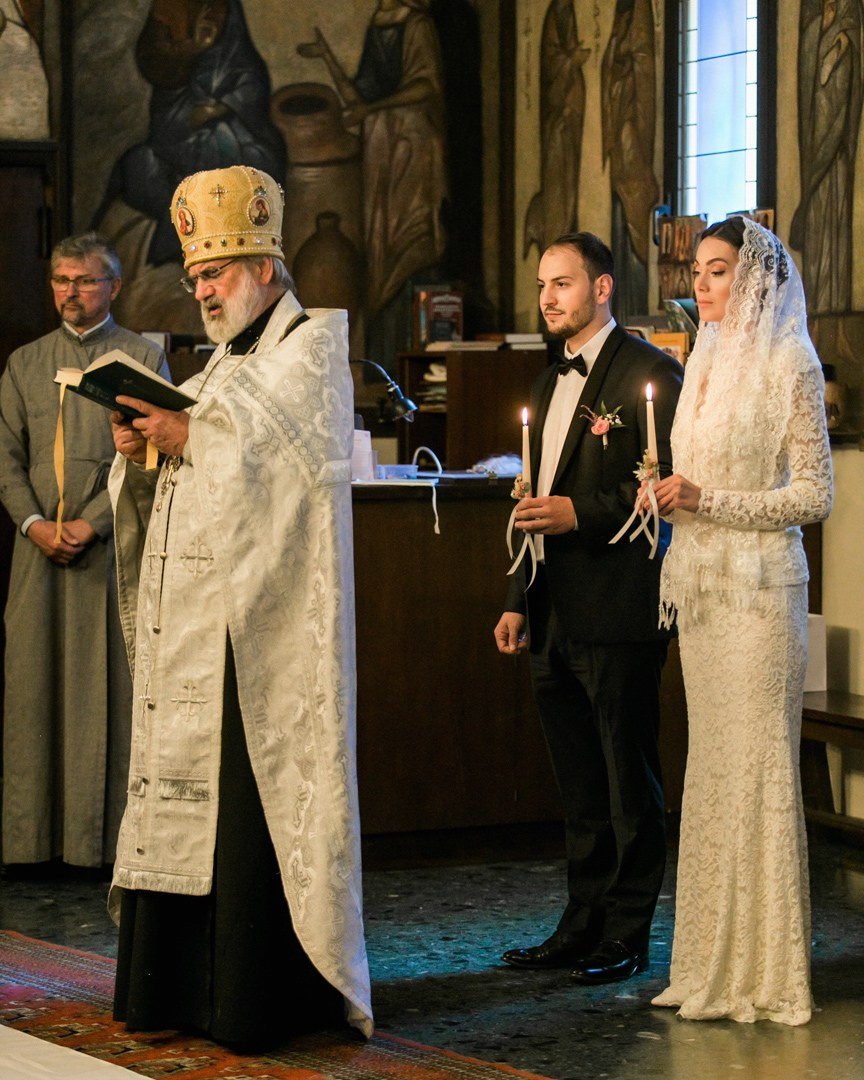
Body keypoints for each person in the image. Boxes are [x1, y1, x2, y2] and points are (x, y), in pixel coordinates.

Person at [107, 164, 372, 1049]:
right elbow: (200, 456)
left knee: (245, 810)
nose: (202, 291)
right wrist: (145, 446)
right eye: (193, 279)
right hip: (199, 627)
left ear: (262, 264)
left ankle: (256, 997)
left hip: (262, 638)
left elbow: (285, 479)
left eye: (213, 274)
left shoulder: (310, 352)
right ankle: (175, 990)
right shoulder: (221, 361)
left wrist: (190, 435)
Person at [650, 216, 833, 1025]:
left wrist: (708, 500)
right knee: (711, 773)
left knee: (757, 771)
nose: (702, 284)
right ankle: (707, 969)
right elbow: (687, 474)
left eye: (717, 271)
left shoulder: (791, 361)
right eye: (697, 270)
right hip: (705, 594)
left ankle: (767, 975)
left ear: (755, 277)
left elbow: (815, 496)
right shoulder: (703, 360)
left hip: (762, 597)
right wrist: (660, 489)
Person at [494, 232, 683, 985]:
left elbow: (663, 492)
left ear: (601, 289)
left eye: (562, 284)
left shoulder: (651, 373)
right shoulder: (545, 385)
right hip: (551, 610)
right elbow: (530, 503)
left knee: (627, 780)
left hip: (619, 605)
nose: (548, 298)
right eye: (543, 284)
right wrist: (515, 600)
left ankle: (627, 933)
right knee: (578, 788)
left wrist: (584, 514)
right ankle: (579, 922)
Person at [0, 232, 168, 870]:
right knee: (33, 691)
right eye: (61, 281)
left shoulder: (141, 358)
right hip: (37, 554)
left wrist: (94, 523)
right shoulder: (25, 362)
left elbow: (155, 457)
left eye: (85, 281)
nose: (70, 292)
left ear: (114, 287)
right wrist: (34, 523)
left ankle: (103, 847)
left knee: (110, 691)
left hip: (110, 551)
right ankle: (30, 843)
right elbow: (5, 460)